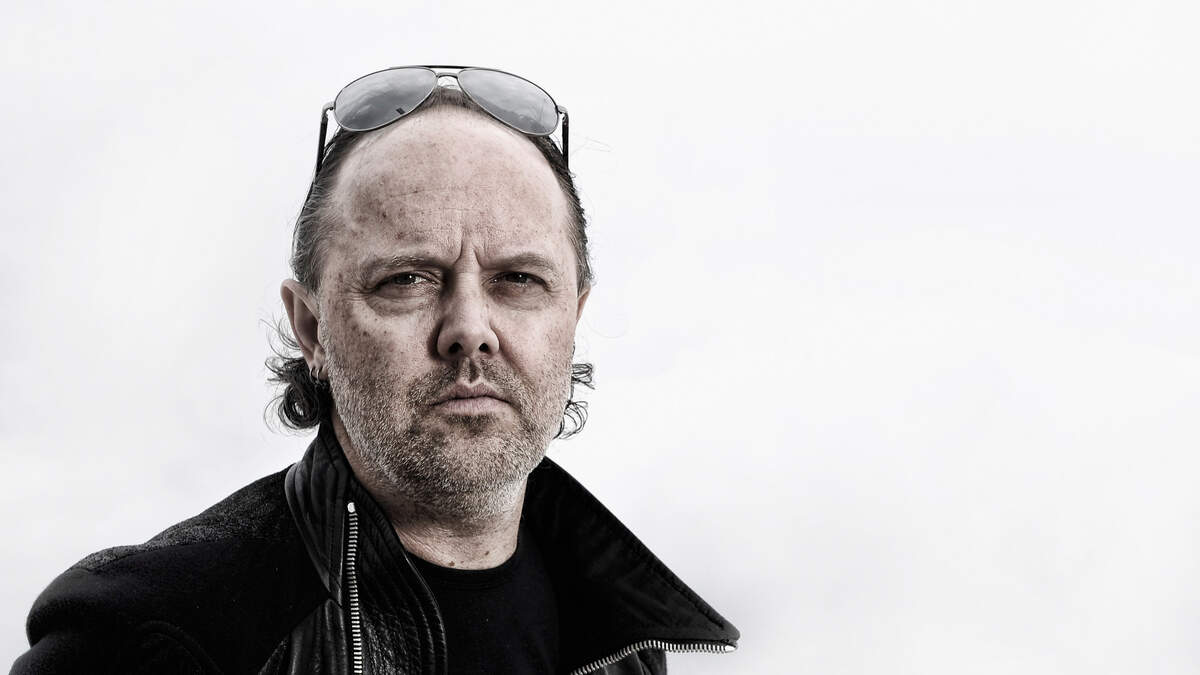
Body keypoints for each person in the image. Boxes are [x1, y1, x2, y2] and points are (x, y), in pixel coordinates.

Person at [12, 65, 739, 674]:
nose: (470, 330)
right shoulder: (146, 640)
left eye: (519, 279)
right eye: (407, 280)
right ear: (312, 329)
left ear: (572, 318)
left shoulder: (618, 640)